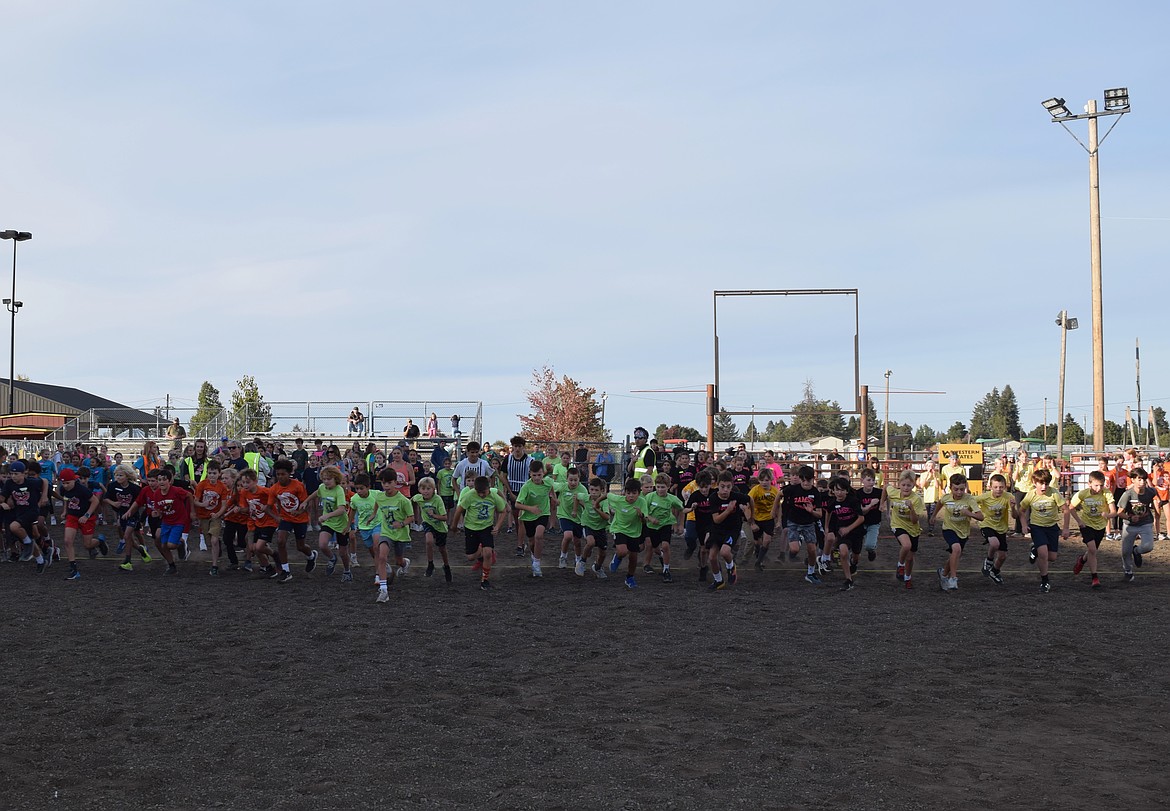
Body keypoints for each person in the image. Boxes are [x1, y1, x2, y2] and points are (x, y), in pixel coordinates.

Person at [126, 468, 194, 577]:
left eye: (155, 481)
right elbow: (139, 503)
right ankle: (171, 563)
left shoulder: (174, 490)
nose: (152, 483)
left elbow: (188, 493)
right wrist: (134, 513)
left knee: (164, 541)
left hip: (170, 520)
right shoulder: (149, 491)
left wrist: (192, 512)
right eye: (150, 481)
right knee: (160, 544)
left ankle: (178, 546)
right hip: (158, 518)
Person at [450, 475, 506, 590]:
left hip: (486, 528)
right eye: (478, 492)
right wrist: (454, 526)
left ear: (489, 488)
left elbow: (503, 511)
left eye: (483, 492)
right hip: (471, 528)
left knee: (488, 553)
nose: (481, 495)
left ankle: (485, 580)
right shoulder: (469, 496)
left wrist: (498, 526)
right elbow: (459, 510)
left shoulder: (494, 496)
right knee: (470, 557)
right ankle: (481, 551)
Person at [928, 473, 983, 592]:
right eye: (956, 489)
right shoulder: (946, 498)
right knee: (956, 549)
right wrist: (933, 516)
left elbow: (981, 516)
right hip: (948, 529)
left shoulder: (969, 499)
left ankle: (943, 573)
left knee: (955, 554)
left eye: (962, 489)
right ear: (950, 487)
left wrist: (969, 514)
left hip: (963, 532)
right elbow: (940, 503)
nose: (959, 492)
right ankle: (953, 578)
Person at [1065, 469, 1116, 590]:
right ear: (1089, 484)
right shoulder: (1082, 494)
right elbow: (1071, 508)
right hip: (1086, 525)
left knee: (1092, 551)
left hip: (1100, 526)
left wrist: (1107, 515)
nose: (1099, 488)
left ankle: (1082, 560)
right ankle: (1095, 578)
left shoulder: (1107, 494)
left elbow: (1114, 512)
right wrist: (1079, 522)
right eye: (1096, 485)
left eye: (1101, 485)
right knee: (1092, 549)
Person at [1019, 468, 1065, 593]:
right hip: (1037, 527)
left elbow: (1066, 509)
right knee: (1043, 553)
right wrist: (1024, 525)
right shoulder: (1031, 495)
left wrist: (1065, 528)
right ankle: (1045, 581)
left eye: (1046, 483)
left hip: (1052, 527)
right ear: (1034, 482)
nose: (1044, 486)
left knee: (1052, 557)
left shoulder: (1054, 493)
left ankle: (1035, 549)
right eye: (1041, 483)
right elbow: (1021, 511)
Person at [269, 458, 316, 580]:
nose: (280, 477)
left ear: (289, 473)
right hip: (285, 518)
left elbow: (306, 504)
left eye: (283, 474)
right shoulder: (274, 488)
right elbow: (268, 507)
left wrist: (299, 511)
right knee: (280, 541)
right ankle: (286, 571)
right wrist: (276, 517)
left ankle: (311, 556)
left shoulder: (298, 486)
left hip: (300, 519)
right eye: (278, 474)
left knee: (300, 546)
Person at [304, 464, 353, 581]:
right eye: (324, 479)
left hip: (341, 525)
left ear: (335, 479)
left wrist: (326, 515)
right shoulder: (322, 487)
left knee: (343, 552)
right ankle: (332, 558)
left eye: (329, 479)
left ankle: (347, 571)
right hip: (329, 523)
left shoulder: (339, 490)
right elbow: (315, 493)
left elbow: (341, 510)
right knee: (322, 544)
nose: (326, 481)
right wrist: (305, 501)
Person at [704, 471, 751, 591]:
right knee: (712, 557)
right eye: (722, 487)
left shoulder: (736, 496)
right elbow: (716, 520)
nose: (725, 490)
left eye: (728, 487)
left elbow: (750, 500)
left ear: (732, 486)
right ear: (717, 485)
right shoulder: (713, 498)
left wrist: (751, 517)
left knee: (725, 552)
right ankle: (718, 580)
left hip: (732, 529)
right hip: (717, 528)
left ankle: (731, 567)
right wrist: (728, 510)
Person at [782, 465, 826, 585]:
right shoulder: (792, 489)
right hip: (793, 522)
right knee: (795, 549)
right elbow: (779, 495)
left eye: (809, 480)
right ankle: (793, 550)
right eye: (804, 480)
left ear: (813, 479)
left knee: (812, 550)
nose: (806, 483)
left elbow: (820, 514)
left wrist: (811, 511)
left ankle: (810, 573)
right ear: (800, 480)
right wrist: (774, 512)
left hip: (808, 523)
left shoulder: (815, 493)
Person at [374, 470, 414, 601]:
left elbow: (411, 517)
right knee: (382, 557)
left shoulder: (403, 500)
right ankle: (384, 590)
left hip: (401, 534)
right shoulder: (380, 496)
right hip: (386, 532)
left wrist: (402, 523)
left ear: (395, 483)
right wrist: (373, 514)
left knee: (398, 560)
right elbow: (377, 503)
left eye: (389, 483)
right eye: (384, 483)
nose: (386, 485)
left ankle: (405, 563)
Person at [3, 461, 50, 572]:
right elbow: (3, 496)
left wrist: (44, 496)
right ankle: (41, 561)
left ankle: (30, 543)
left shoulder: (31, 482)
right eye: (12, 474)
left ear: (24, 473)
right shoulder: (9, 484)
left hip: (31, 511)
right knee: (29, 537)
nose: (13, 476)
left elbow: (45, 481)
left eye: (16, 474)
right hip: (19, 512)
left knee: (14, 527)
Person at [513, 459, 556, 577]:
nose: (537, 478)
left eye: (539, 475)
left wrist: (554, 498)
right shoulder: (526, 486)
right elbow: (517, 504)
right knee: (532, 542)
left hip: (543, 513)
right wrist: (530, 508)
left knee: (539, 535)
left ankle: (537, 563)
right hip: (528, 516)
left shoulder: (547, 483)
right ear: (530, 474)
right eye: (534, 475)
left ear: (543, 474)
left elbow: (551, 489)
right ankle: (533, 556)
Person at [59, 468, 103, 581]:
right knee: (67, 541)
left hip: (86, 518)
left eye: (68, 483)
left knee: (87, 545)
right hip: (72, 516)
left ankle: (99, 541)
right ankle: (73, 566)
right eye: (63, 483)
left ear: (74, 480)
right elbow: (66, 499)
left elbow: (95, 501)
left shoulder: (82, 489)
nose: (65, 485)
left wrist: (87, 515)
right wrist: (65, 511)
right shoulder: (63, 489)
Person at [604, 478, 648, 590]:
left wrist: (641, 515)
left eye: (634, 493)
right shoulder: (619, 499)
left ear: (639, 493)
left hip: (634, 532)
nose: (631, 496)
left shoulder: (642, 502)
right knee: (623, 551)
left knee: (633, 557)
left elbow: (644, 521)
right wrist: (596, 503)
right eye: (628, 493)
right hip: (619, 528)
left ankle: (629, 577)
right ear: (625, 492)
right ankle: (617, 557)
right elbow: (607, 495)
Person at [825, 476, 865, 591]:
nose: (839, 493)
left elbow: (861, 518)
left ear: (847, 491)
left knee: (856, 555)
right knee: (843, 552)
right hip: (843, 532)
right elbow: (828, 512)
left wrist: (849, 528)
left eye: (842, 490)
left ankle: (854, 563)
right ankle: (848, 580)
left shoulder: (853, 501)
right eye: (837, 490)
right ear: (833, 491)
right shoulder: (832, 502)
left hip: (856, 531)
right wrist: (827, 528)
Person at [886, 470, 924, 589]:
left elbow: (914, 520)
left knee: (910, 557)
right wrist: (883, 505)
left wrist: (911, 508)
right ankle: (900, 565)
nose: (906, 488)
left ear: (913, 485)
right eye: (903, 485)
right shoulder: (894, 492)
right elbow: (885, 487)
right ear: (899, 484)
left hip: (913, 529)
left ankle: (908, 577)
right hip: (897, 524)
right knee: (906, 545)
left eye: (909, 485)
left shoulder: (917, 500)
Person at [1117, 467, 1156, 583]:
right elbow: (1119, 513)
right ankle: (1128, 572)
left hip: (1145, 523)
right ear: (1132, 480)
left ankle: (1137, 551)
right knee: (1125, 551)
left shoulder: (1151, 492)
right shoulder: (1127, 495)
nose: (1142, 482)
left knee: (1148, 546)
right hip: (1130, 525)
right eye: (1139, 479)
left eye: (1144, 480)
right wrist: (1130, 517)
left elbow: (1156, 497)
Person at [193, 460, 232, 575]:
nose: (212, 476)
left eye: (214, 473)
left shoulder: (222, 487)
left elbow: (224, 504)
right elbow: (195, 501)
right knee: (209, 541)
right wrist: (202, 504)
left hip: (215, 516)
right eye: (210, 473)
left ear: (219, 474)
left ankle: (214, 565)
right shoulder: (202, 485)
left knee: (214, 540)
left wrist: (218, 514)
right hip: (203, 516)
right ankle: (216, 547)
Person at [643, 473, 683, 582]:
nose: (660, 490)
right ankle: (661, 555)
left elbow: (682, 509)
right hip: (652, 526)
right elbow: (644, 511)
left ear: (668, 487)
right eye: (658, 487)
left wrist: (681, 524)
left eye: (663, 487)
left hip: (665, 524)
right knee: (655, 548)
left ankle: (666, 570)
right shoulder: (649, 497)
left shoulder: (672, 499)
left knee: (665, 546)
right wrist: (650, 518)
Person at [976, 473, 1015, 585]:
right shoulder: (984, 497)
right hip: (986, 524)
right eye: (996, 487)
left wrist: (1013, 508)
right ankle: (988, 560)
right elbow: (970, 501)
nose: (998, 490)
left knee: (1002, 556)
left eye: (1001, 487)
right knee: (994, 543)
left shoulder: (1008, 497)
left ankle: (995, 571)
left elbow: (1015, 516)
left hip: (1001, 528)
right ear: (990, 487)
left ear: (1005, 487)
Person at [413, 476, 450, 582]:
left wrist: (434, 515)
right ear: (419, 490)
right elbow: (410, 501)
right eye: (423, 489)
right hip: (427, 523)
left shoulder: (437, 500)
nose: (426, 491)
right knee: (428, 541)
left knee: (442, 549)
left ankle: (446, 566)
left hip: (440, 527)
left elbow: (445, 517)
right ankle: (430, 564)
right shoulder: (418, 497)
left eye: (428, 489)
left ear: (433, 489)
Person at [554, 466, 588, 571]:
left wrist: (580, 501)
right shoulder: (562, 486)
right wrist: (555, 499)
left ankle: (578, 559)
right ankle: (563, 557)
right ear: (566, 478)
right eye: (571, 480)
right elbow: (549, 486)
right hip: (564, 515)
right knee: (568, 536)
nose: (573, 483)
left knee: (577, 541)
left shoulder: (582, 489)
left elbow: (587, 505)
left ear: (579, 479)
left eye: (575, 480)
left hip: (577, 517)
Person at [747, 468, 779, 569]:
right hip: (757, 518)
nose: (764, 483)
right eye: (761, 480)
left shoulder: (775, 491)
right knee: (757, 542)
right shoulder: (755, 490)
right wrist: (752, 523)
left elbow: (778, 506)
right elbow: (747, 505)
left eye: (766, 480)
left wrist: (779, 520)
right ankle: (758, 554)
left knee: (767, 541)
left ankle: (759, 562)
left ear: (771, 480)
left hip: (769, 518)